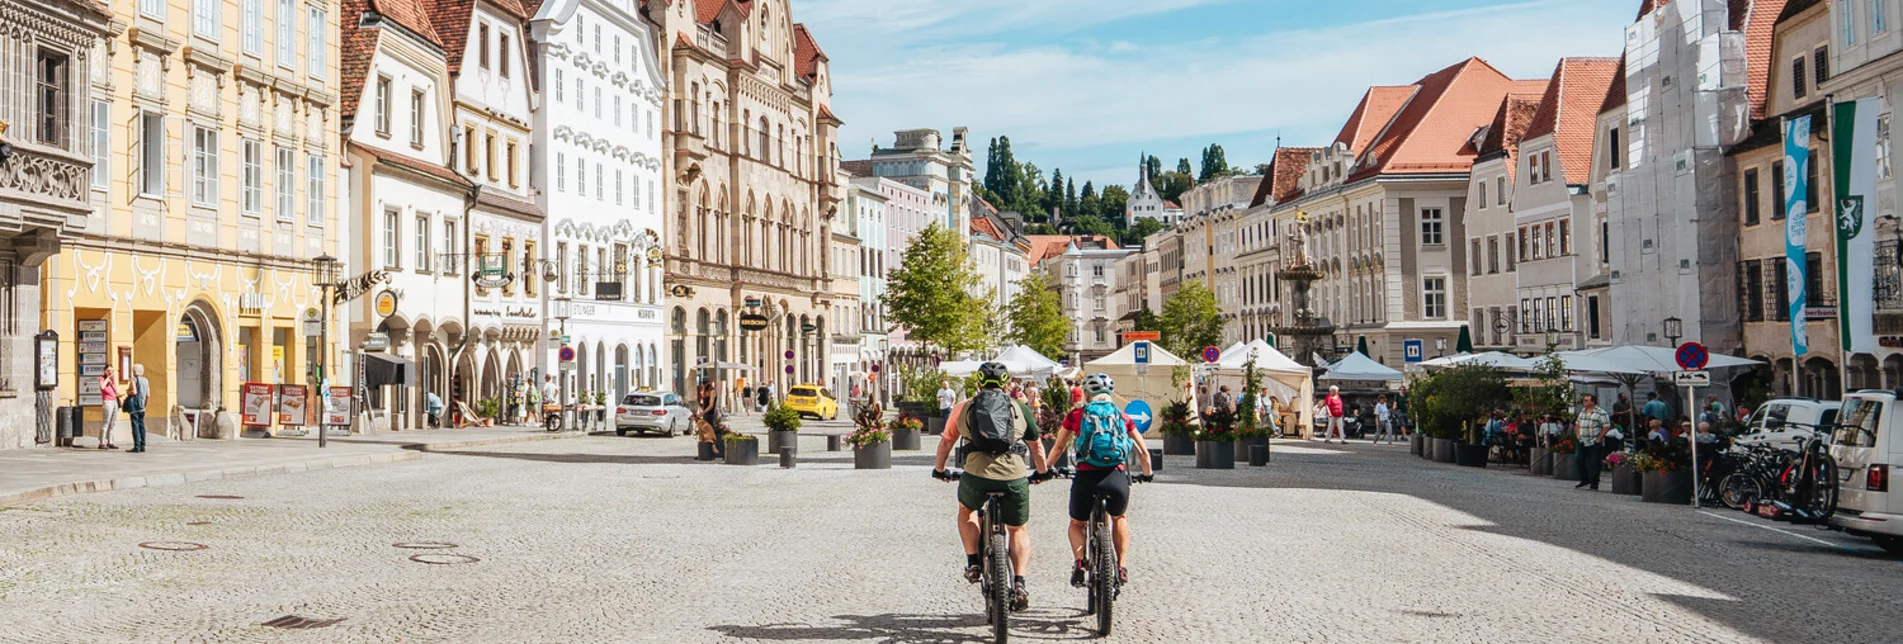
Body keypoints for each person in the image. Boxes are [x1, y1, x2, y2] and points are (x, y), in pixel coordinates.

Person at [932, 362, 1050, 613]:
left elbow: (946, 443)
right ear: (1007, 385)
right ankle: (1019, 583)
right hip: (1013, 477)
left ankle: (973, 562)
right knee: (1018, 528)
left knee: (967, 510)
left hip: (976, 476)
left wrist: (939, 470)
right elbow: (1036, 447)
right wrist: (1042, 472)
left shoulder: (964, 408)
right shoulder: (1019, 408)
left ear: (979, 383)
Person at [1049, 373, 1153, 588]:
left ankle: (1079, 563)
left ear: (1086, 394)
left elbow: (1058, 447)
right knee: (1119, 517)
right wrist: (1147, 473)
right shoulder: (1123, 417)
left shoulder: (1076, 415)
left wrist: (1046, 469)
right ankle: (1122, 566)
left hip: (1086, 476)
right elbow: (1143, 452)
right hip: (1115, 476)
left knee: (1077, 523)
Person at [1575, 394, 1613, 490]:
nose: (1584, 402)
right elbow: (1577, 424)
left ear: (1593, 402)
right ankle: (1584, 479)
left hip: (1594, 440)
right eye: (1584, 400)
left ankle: (1594, 482)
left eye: (1586, 400)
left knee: (1594, 462)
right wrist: (1578, 434)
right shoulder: (1582, 412)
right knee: (1578, 458)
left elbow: (1606, 426)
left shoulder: (1601, 412)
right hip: (1582, 440)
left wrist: (1599, 438)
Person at [126, 364, 150, 453]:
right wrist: (144, 405)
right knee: (142, 425)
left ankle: (137, 446)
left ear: (134, 371)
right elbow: (148, 395)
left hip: (134, 406)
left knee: (135, 425)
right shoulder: (146, 381)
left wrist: (128, 391)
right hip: (142, 407)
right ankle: (143, 445)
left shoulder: (134, 379)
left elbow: (134, 391)